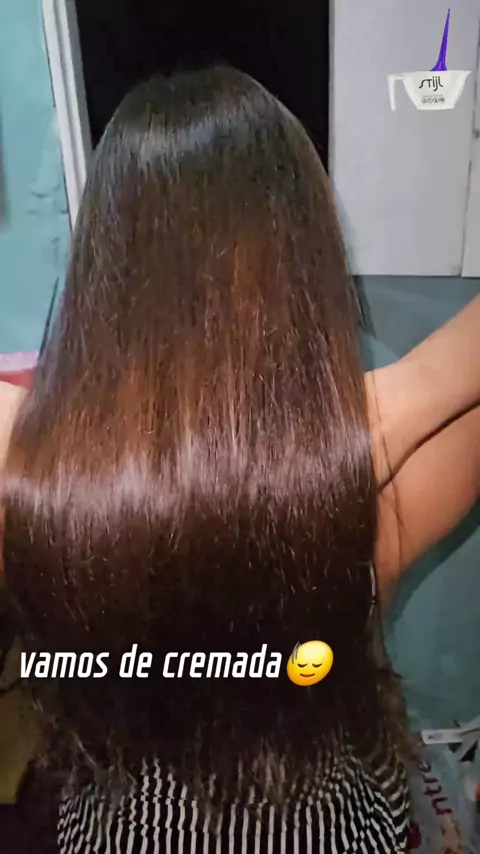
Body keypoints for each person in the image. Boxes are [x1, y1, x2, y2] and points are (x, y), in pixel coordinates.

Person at [0, 66, 478, 853]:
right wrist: (385, 407)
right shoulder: (368, 493)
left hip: (121, 834)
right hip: (336, 831)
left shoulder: (35, 484)